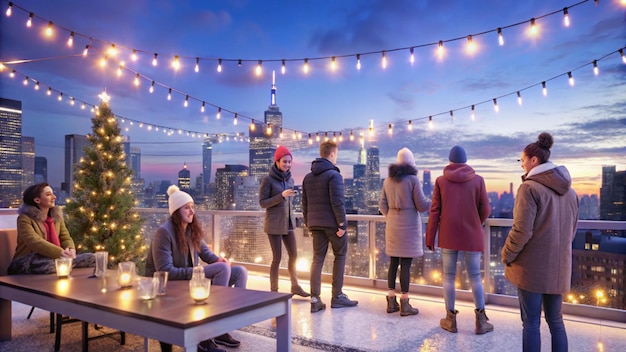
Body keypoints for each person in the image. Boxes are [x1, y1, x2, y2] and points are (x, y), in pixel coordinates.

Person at [145, 185, 248, 352]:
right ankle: (207, 333)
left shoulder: (191, 229)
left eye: (192, 207)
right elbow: (165, 271)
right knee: (222, 269)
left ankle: (221, 327)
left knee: (239, 271)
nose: (192, 212)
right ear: (176, 211)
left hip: (188, 278)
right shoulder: (164, 232)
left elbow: (206, 254)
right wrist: (197, 273)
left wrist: (218, 259)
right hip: (166, 284)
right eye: (187, 208)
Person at [501, 132, 578, 352]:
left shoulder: (529, 188)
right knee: (556, 321)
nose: (522, 165)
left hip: (532, 270)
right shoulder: (570, 192)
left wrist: (507, 254)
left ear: (534, 160)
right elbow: (572, 232)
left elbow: (521, 231)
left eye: (522, 160)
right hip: (559, 267)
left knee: (531, 323)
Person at [425, 146, 494, 335]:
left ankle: (450, 320)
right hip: (472, 234)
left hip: (448, 234)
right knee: (475, 277)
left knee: (448, 276)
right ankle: (481, 321)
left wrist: (430, 236)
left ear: (449, 161)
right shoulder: (478, 180)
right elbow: (486, 209)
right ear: (466, 161)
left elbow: (434, 211)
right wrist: (475, 222)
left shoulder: (440, 181)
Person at [302, 140, 358, 313]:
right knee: (340, 256)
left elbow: (305, 204)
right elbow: (338, 202)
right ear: (332, 154)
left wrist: (308, 223)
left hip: (315, 224)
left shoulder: (307, 177)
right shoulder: (334, 175)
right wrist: (342, 224)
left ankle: (315, 299)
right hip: (333, 225)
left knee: (317, 259)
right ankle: (337, 296)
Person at [379, 147, 431, 316]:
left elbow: (382, 205)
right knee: (406, 265)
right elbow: (422, 205)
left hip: (393, 225)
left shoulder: (387, 181)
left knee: (393, 262)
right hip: (409, 226)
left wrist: (392, 215)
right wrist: (433, 201)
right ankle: (405, 303)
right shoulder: (413, 180)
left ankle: (391, 301)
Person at [8, 182, 94, 275]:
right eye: (49, 194)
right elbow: (34, 241)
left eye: (53, 193)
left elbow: (65, 237)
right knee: (53, 266)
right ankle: (67, 264)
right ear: (37, 200)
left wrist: (70, 250)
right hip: (27, 261)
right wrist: (60, 253)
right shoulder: (24, 218)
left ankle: (68, 264)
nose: (54, 197)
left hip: (55, 258)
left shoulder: (57, 218)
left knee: (93, 258)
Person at [259, 145, 310, 297]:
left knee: (294, 255)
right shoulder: (268, 180)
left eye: (289, 162)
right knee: (277, 258)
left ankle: (295, 285)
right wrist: (281, 196)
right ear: (277, 161)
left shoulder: (290, 179)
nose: (287, 165)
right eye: (284, 162)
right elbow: (262, 203)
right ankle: (274, 291)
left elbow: (289, 204)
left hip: (288, 223)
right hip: (274, 224)